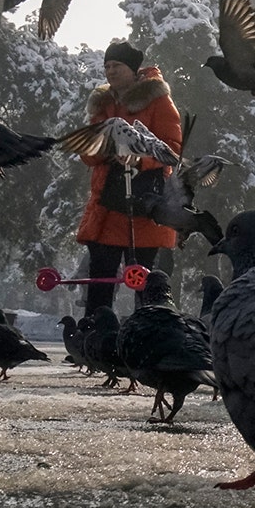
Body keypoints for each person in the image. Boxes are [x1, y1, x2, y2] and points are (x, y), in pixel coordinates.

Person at [74, 40, 182, 315]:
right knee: (100, 281)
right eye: (107, 66)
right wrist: (108, 150)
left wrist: (141, 159)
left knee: (146, 284)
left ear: (133, 70)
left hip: (145, 207)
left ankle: (150, 338)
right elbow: (87, 153)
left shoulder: (158, 100)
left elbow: (173, 148)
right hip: (108, 208)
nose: (110, 71)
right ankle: (95, 337)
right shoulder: (102, 104)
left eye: (117, 65)